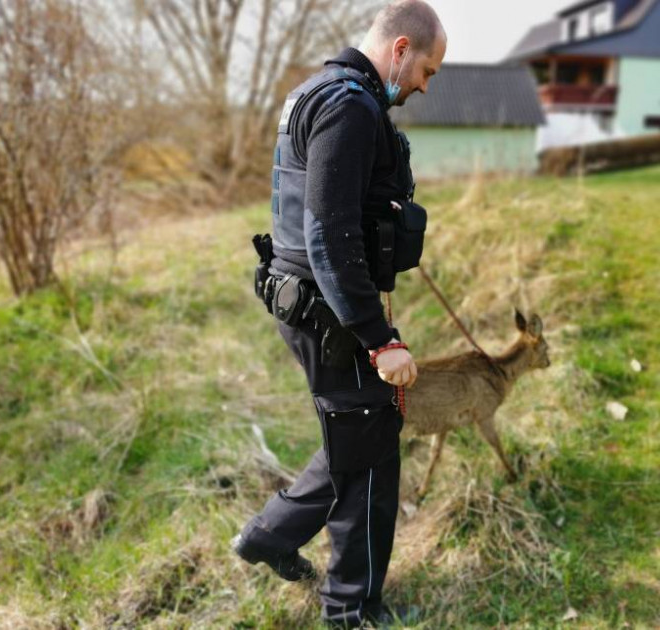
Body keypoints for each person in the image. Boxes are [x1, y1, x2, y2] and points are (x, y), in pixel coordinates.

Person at [232, 1, 447, 627]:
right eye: (427, 70)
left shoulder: (316, 91)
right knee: (369, 456)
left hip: (314, 303)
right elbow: (326, 233)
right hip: (331, 315)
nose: (424, 86)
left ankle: (270, 537)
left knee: (357, 435)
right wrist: (380, 340)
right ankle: (349, 610)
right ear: (400, 48)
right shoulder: (349, 107)